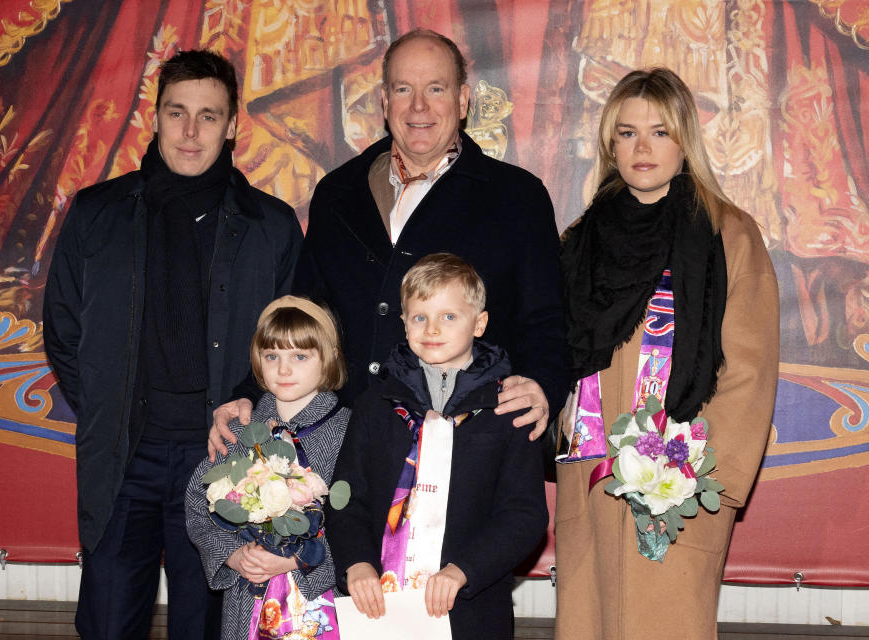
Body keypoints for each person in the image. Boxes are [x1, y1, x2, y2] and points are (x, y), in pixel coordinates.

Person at [207, 29, 569, 462]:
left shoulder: (518, 197)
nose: (419, 106)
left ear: (463, 100)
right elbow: (304, 314)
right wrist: (251, 393)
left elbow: (547, 321)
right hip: (345, 450)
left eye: (435, 88)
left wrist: (542, 384)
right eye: (403, 89)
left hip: (469, 450)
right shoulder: (337, 193)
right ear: (383, 101)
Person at [43, 50, 303, 639]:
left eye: (208, 116)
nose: (190, 132)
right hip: (122, 459)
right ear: (153, 118)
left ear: (233, 124)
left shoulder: (273, 227)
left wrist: (242, 411)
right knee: (109, 625)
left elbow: (292, 346)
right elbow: (62, 331)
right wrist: (113, 403)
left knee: (207, 628)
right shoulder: (96, 214)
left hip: (222, 463)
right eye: (177, 113)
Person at [553, 68, 779, 639]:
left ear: (685, 140)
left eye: (659, 131)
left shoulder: (728, 234)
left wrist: (693, 472)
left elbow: (749, 372)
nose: (642, 147)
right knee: (590, 623)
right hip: (595, 475)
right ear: (611, 144)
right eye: (627, 133)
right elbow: (560, 352)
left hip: (680, 483)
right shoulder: (581, 238)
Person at [326, 253, 549, 638]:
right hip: (382, 606)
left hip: (471, 609)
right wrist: (357, 563)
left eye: (449, 316)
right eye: (419, 317)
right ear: (403, 323)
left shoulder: (510, 409)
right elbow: (346, 499)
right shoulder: (373, 406)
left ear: (479, 323)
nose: (432, 328)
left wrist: (464, 569)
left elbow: (524, 516)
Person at [186, 296, 349, 640]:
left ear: (331, 356)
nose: (284, 369)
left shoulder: (350, 432)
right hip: (248, 601)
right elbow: (198, 505)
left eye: (300, 356)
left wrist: (299, 561)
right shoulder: (241, 433)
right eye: (272, 356)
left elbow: (364, 523)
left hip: (324, 604)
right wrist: (232, 556)